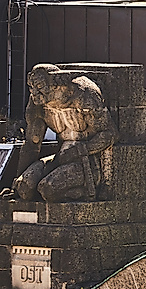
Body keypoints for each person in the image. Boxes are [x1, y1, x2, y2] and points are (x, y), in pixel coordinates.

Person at [11, 64, 117, 202]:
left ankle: (83, 192)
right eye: (31, 87)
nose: (35, 93)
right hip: (60, 158)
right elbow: (32, 144)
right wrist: (16, 184)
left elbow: (109, 133)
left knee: (47, 189)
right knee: (23, 188)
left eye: (40, 87)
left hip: (87, 161)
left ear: (56, 85)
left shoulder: (83, 95)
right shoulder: (37, 103)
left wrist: (81, 150)